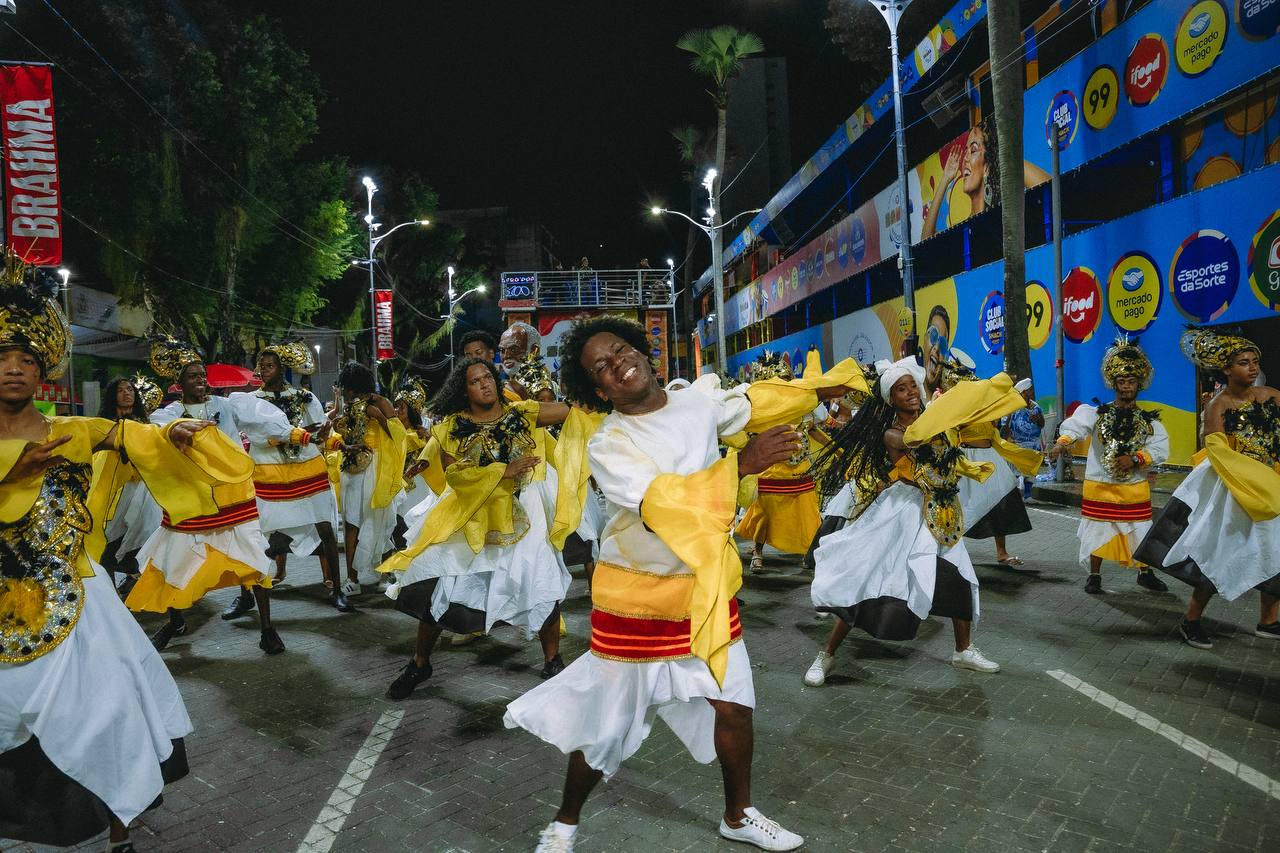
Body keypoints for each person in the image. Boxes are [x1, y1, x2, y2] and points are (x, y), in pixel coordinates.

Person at [505, 316, 858, 853]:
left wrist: (815, 389)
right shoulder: (611, 441)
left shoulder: (696, 402)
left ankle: (737, 815)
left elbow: (754, 401)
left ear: (643, 352)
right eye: (602, 366)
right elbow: (657, 504)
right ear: (598, 388)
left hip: (703, 588)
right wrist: (742, 463)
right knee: (609, 726)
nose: (618, 363)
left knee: (735, 704)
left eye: (621, 350)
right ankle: (564, 823)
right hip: (638, 599)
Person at [0, 260, 236, 851]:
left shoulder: (66, 432)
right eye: (2, 357)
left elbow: (126, 433)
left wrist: (174, 432)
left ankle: (120, 832)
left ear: (42, 368)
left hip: (78, 597)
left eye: (27, 359)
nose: (14, 369)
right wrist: (9, 475)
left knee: (112, 712)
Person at [804, 357, 1018, 688]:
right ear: (891, 399)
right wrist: (951, 415)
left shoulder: (938, 418)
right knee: (869, 577)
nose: (910, 393)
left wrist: (996, 401)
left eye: (911, 387)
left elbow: (978, 440)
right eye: (901, 390)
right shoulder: (894, 434)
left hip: (943, 512)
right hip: (904, 512)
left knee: (960, 576)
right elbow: (918, 445)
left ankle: (963, 650)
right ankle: (827, 654)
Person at [378, 358, 573, 700]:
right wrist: (503, 470)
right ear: (463, 390)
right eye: (475, 380)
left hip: (523, 514)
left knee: (541, 580)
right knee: (442, 584)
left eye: (488, 377)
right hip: (472, 515)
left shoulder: (524, 412)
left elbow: (572, 411)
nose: (484, 384)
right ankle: (420, 663)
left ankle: (552, 659)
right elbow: (455, 475)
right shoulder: (454, 426)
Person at [132, 339, 308, 654]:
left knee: (254, 559)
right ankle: (175, 621)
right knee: (172, 561)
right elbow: (155, 435)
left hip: (234, 499)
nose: (201, 381)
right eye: (193, 377)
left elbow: (262, 418)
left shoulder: (227, 406)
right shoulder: (169, 415)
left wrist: (298, 434)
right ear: (178, 384)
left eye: (203, 376)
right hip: (193, 501)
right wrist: (174, 431)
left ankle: (268, 629)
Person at [1135, 329, 1280, 648]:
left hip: (1271, 487)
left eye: (1255, 361)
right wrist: (1256, 479)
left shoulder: (1272, 396)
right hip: (1232, 489)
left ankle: (1269, 621)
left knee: (1275, 549)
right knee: (1218, 553)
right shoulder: (1218, 405)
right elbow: (1218, 450)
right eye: (1244, 363)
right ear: (1227, 369)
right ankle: (1192, 619)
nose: (1252, 368)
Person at [1049, 336, 1169, 594]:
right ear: (1114, 384)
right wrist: (1061, 444)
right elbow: (1076, 426)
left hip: (1134, 487)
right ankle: (1094, 575)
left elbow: (1159, 448)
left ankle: (1145, 572)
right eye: (1122, 381)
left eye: (1131, 381)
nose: (1126, 386)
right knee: (1097, 531)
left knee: (1140, 530)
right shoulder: (1096, 414)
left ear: (1139, 385)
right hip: (1101, 486)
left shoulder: (1149, 422)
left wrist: (1136, 459)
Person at [247, 342, 352, 612]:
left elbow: (323, 432)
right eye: (262, 366)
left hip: (307, 469)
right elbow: (259, 436)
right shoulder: (253, 402)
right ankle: (247, 594)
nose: (264, 371)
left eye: (270, 366)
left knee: (326, 529)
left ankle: (337, 590)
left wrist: (334, 439)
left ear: (283, 368)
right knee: (256, 536)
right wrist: (297, 432)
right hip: (270, 474)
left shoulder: (304, 397)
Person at [934, 351, 1039, 567]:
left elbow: (995, 431)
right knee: (959, 506)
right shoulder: (955, 407)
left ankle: (1002, 552)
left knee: (1000, 503)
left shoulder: (985, 407)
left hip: (991, 458)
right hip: (967, 460)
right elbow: (949, 432)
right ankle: (949, 552)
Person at [735, 351, 827, 573]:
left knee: (807, 510)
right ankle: (758, 551)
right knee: (766, 512)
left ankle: (811, 550)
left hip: (801, 469)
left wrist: (838, 448)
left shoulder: (803, 407)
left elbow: (814, 431)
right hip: (772, 469)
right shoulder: (762, 414)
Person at [331, 361, 405, 594]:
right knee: (351, 523)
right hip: (352, 470)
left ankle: (385, 573)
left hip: (376, 468)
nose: (346, 393)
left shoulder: (379, 402)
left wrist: (378, 417)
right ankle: (352, 579)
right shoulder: (349, 406)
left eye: (348, 388)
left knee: (380, 522)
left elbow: (399, 435)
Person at [920, 116, 1051, 240]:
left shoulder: (1006, 213)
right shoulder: (966, 228)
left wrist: (1002, 160)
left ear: (987, 166)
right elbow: (926, 239)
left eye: (973, 150)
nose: (965, 159)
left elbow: (1053, 190)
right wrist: (945, 179)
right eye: (966, 151)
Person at [96, 374, 164, 596]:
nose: (127, 394)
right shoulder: (103, 426)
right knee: (107, 543)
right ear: (111, 396)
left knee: (143, 540)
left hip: (142, 491)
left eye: (130, 390)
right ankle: (110, 596)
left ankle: (143, 587)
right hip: (112, 490)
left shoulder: (145, 425)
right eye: (121, 390)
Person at [1003, 378, 1045, 501]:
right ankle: (1015, 497)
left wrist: (1037, 419)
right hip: (1018, 444)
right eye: (1030, 390)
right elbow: (1005, 426)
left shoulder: (1036, 407)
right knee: (1015, 472)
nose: (1032, 392)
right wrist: (1008, 441)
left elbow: (1042, 424)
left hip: (1033, 445)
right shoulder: (1013, 406)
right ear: (1023, 392)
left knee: (1030, 471)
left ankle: (1027, 495)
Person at [498, 321, 542, 400]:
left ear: (534, 350)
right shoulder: (500, 388)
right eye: (502, 350)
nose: (506, 356)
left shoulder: (543, 387)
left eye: (513, 349)